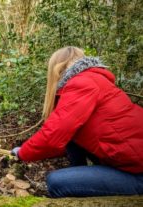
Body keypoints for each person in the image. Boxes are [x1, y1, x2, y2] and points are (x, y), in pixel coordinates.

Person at [11, 46, 143, 197]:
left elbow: (53, 135)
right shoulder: (94, 78)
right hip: (130, 162)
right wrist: (29, 149)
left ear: (57, 68)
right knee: (72, 138)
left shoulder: (81, 84)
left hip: (137, 173)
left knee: (55, 182)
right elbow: (62, 139)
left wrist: (23, 153)